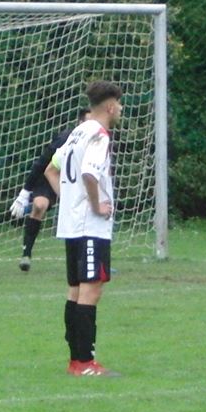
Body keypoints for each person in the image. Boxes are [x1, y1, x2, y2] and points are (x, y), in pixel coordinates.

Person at [47, 81, 123, 376]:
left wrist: (70, 200)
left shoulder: (77, 132)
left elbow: (51, 169)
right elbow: (90, 173)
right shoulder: (99, 135)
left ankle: (75, 361)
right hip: (90, 226)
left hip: (72, 224)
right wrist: (95, 205)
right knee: (91, 291)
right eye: (119, 104)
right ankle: (85, 363)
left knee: (76, 290)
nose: (121, 109)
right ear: (110, 106)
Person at [9, 108, 90, 272]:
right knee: (39, 205)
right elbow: (42, 163)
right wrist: (24, 193)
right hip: (52, 175)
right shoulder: (66, 138)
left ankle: (92, 258)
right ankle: (26, 254)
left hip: (78, 181)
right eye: (88, 122)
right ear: (80, 123)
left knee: (87, 212)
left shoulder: (98, 140)